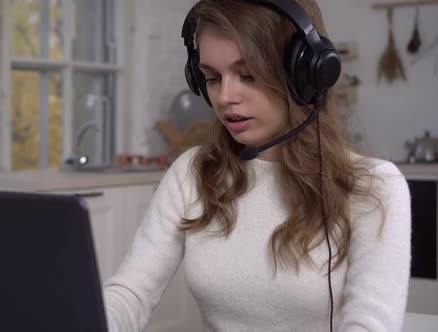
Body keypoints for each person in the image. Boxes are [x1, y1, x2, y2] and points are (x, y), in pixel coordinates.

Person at [103, 0, 411, 331]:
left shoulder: (373, 187)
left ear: (305, 73)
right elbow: (130, 294)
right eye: (211, 77)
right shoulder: (192, 173)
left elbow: (370, 325)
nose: (224, 96)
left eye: (247, 75)